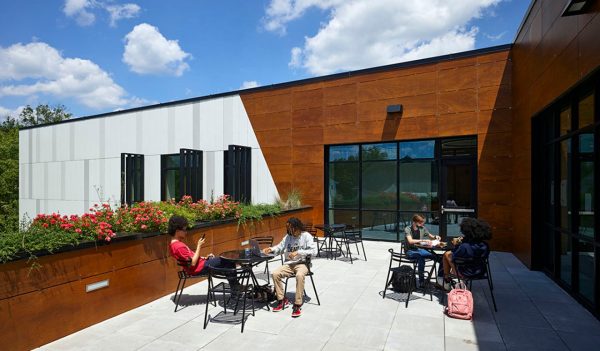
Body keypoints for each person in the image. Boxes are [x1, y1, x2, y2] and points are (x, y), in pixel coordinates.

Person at [262, 217, 317, 318]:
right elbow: (280, 247)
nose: (289, 230)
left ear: (297, 227)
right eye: (288, 228)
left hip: (303, 263)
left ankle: (297, 304)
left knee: (300, 275)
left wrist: (299, 252)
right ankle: (282, 299)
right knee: (275, 273)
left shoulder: (306, 236)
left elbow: (314, 251)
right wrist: (270, 249)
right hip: (289, 264)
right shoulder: (288, 237)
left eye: (291, 228)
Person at [167, 215, 238, 286]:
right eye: (184, 230)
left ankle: (236, 288)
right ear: (177, 231)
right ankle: (236, 291)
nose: (186, 232)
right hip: (199, 268)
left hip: (201, 265)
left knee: (227, 263)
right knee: (228, 261)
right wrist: (199, 246)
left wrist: (204, 258)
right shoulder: (178, 246)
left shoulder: (174, 245)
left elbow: (190, 259)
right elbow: (193, 263)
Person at [441, 217, 492, 290]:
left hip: (466, 273)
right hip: (480, 272)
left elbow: (454, 258)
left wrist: (456, 245)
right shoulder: (485, 245)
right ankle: (447, 279)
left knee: (447, 254)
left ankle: (446, 280)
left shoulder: (464, 247)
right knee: (449, 254)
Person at [404, 214, 441, 287]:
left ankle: (441, 280)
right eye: (421, 222)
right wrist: (423, 240)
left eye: (423, 222)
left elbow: (431, 236)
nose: (422, 224)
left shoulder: (422, 228)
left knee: (438, 258)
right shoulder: (408, 229)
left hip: (419, 249)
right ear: (414, 222)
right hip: (410, 251)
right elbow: (410, 241)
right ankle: (421, 281)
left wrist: (436, 237)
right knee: (421, 258)